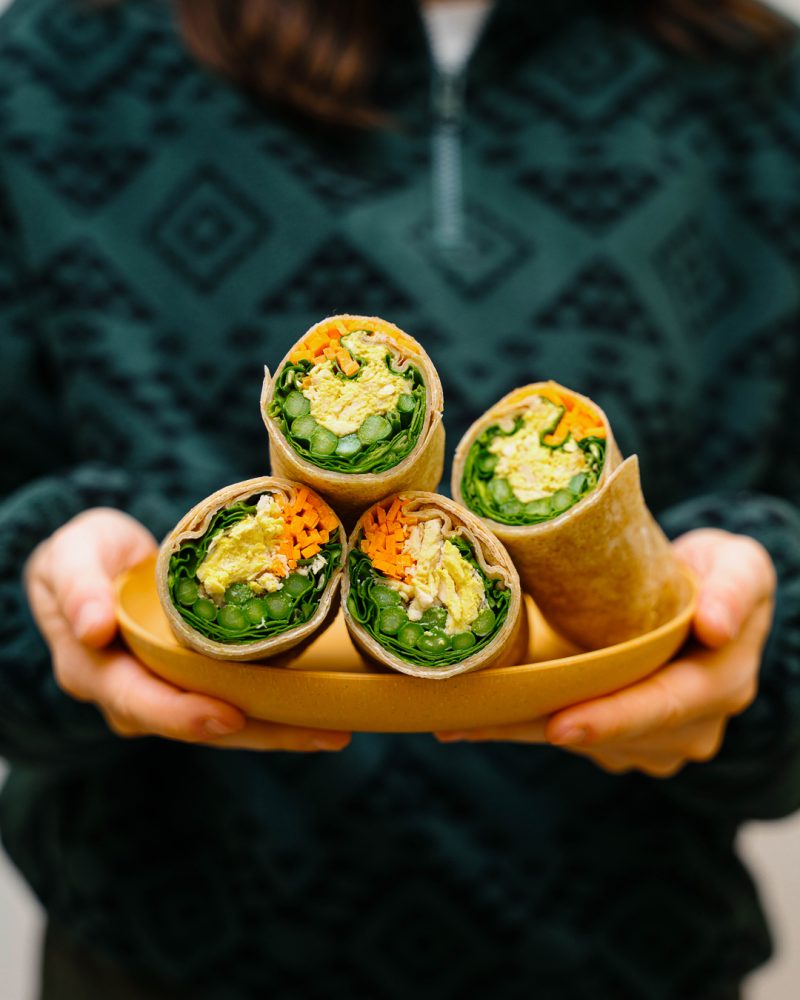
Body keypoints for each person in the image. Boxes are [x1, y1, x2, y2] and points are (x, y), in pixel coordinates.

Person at [1, 0, 799, 996]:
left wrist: (764, 639)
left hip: (626, 958)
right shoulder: (53, 62)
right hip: (153, 956)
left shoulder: (759, 87)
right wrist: (38, 596)